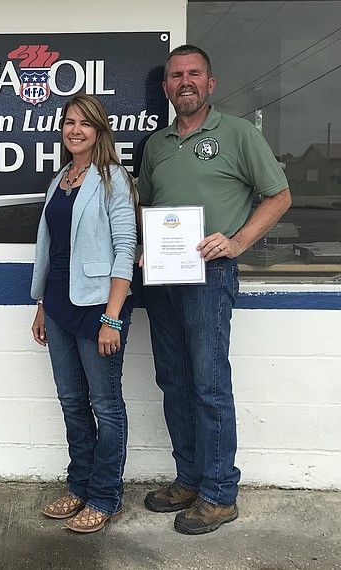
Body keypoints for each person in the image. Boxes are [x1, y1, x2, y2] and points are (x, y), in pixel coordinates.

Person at [137, 45, 291, 535]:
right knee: (174, 382)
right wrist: (145, 245)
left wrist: (238, 240)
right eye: (176, 75)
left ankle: (220, 493)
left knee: (208, 384)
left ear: (210, 83)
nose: (185, 81)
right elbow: (148, 207)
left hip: (209, 278)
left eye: (194, 73)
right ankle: (190, 479)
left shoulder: (238, 134)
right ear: (166, 87)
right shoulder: (157, 145)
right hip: (162, 280)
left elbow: (279, 195)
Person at [30, 94, 137, 533]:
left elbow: (125, 251)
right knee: (72, 402)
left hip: (98, 308)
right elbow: (50, 249)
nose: (75, 130)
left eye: (84, 123)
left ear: (100, 131)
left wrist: (112, 318)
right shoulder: (61, 180)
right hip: (57, 305)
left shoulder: (114, 180)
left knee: (105, 405)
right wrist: (40, 305)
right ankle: (79, 487)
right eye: (69, 122)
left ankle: (105, 495)